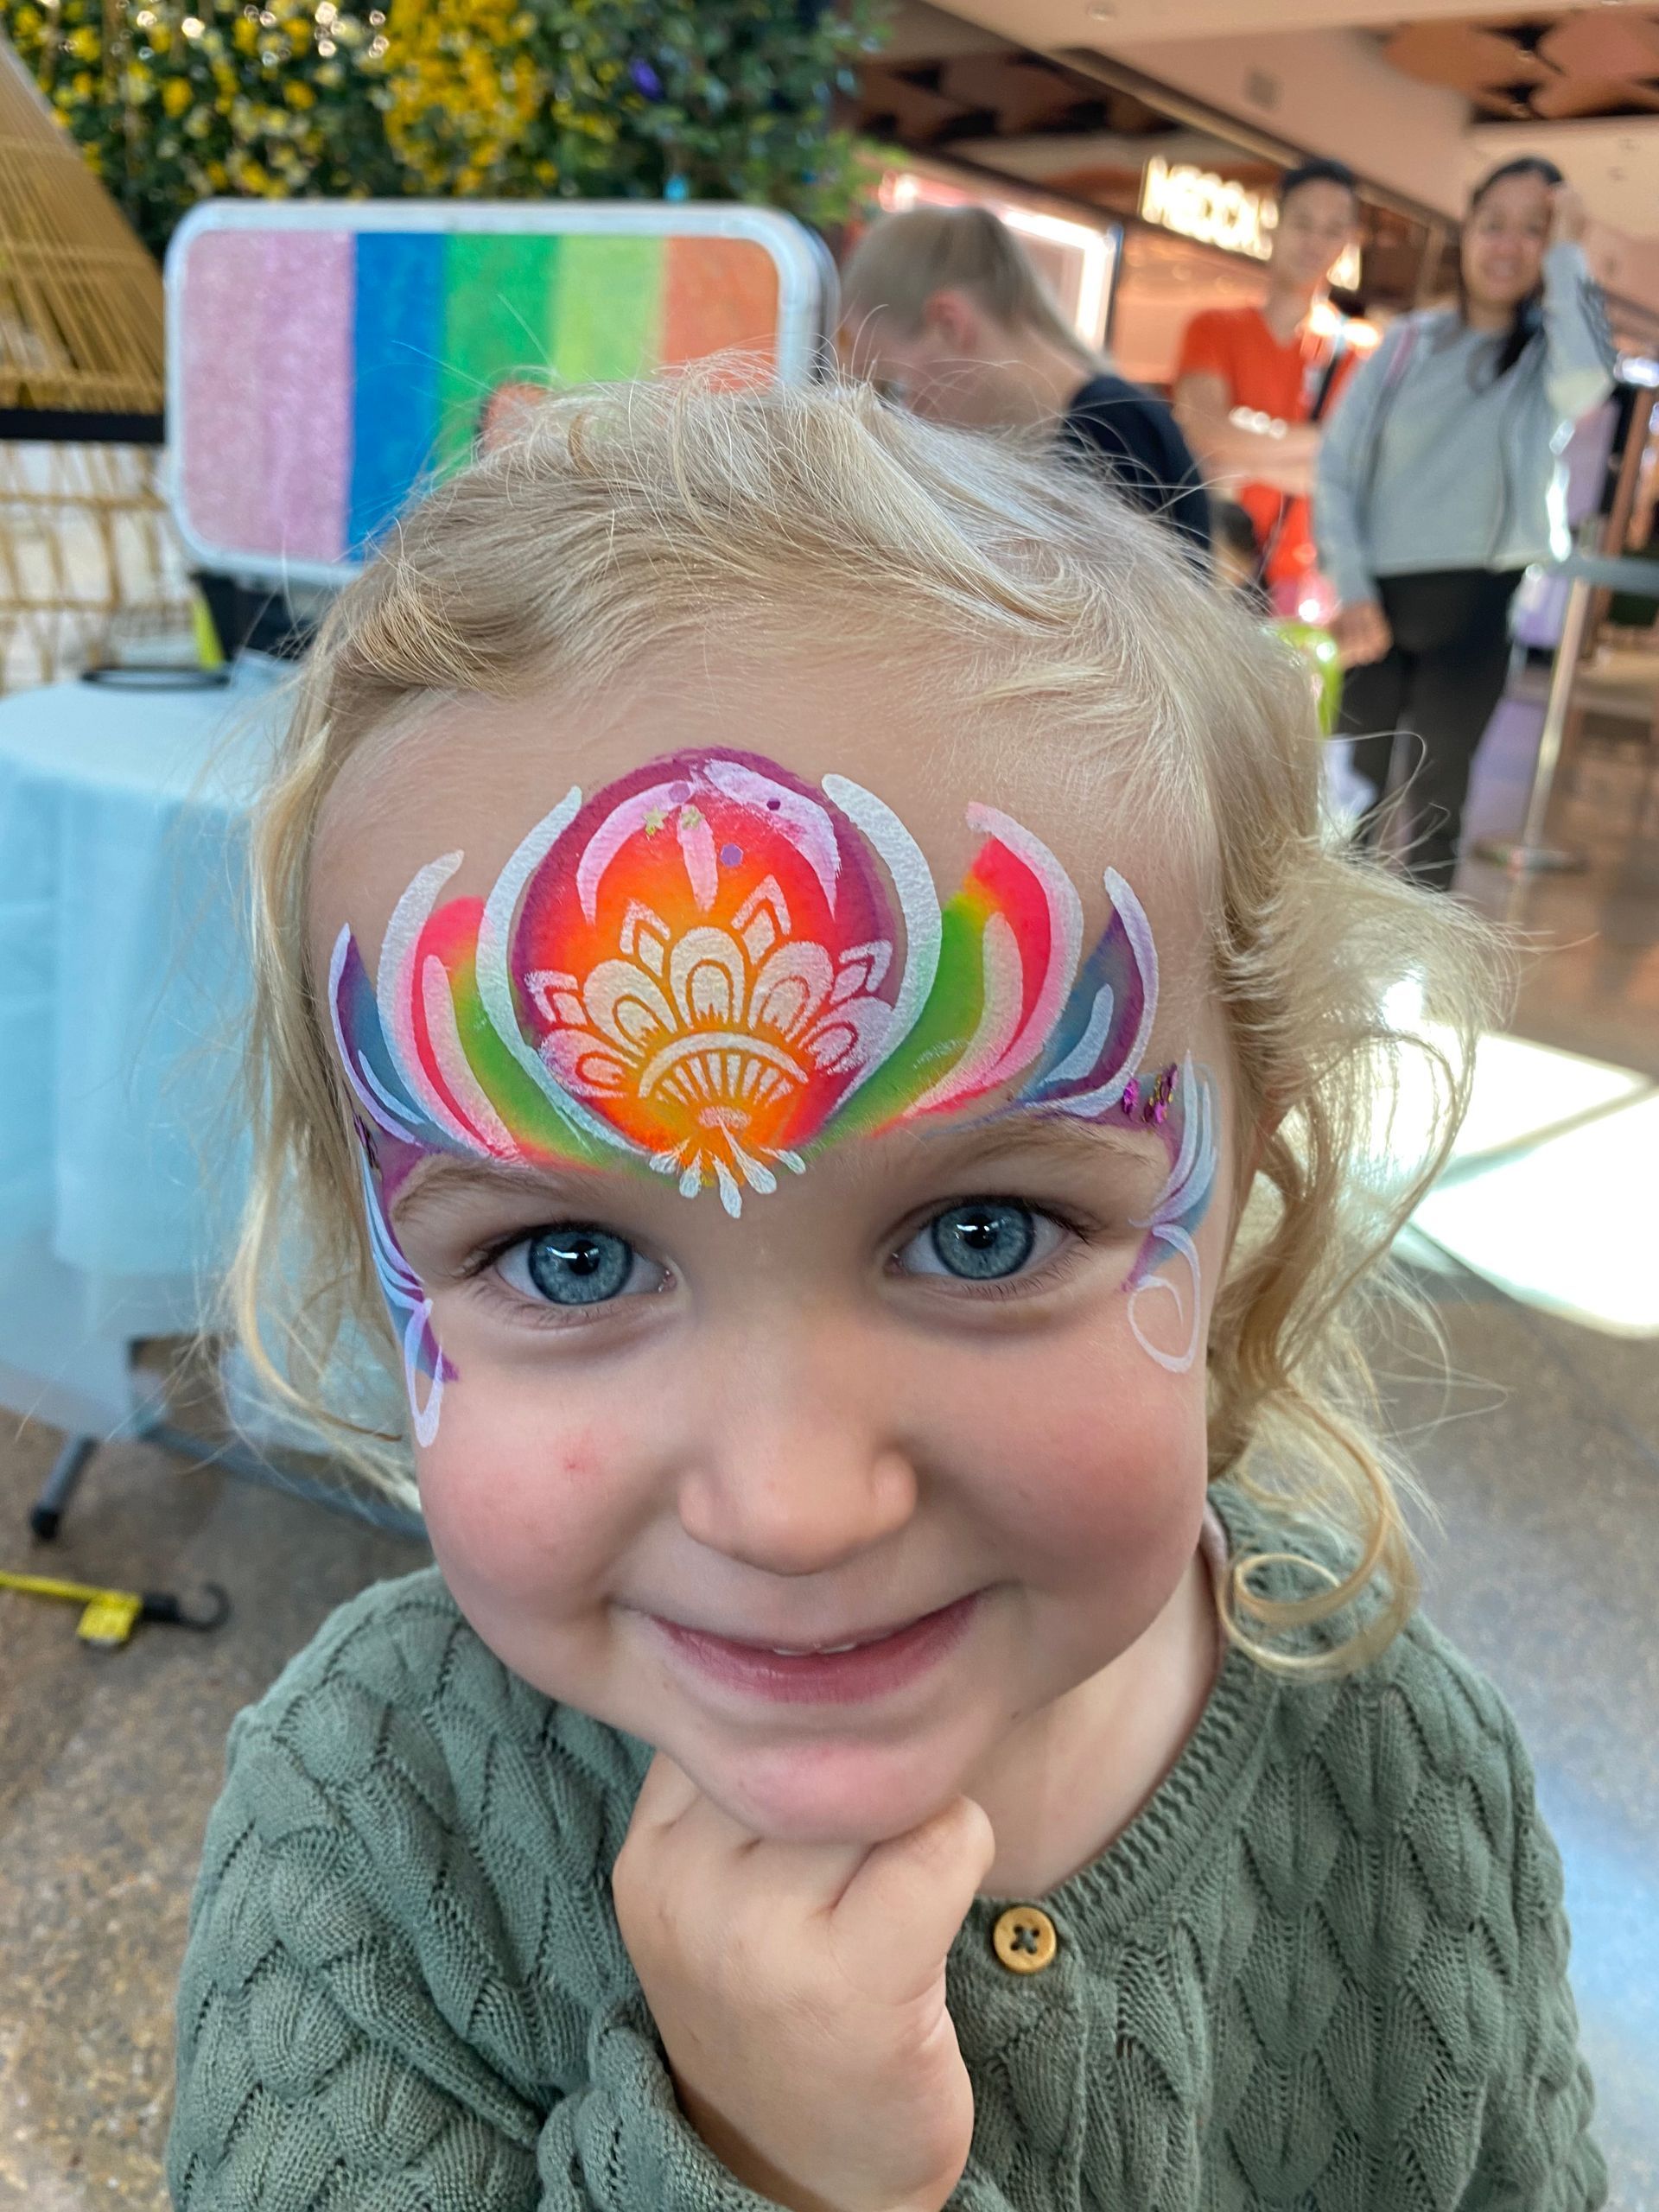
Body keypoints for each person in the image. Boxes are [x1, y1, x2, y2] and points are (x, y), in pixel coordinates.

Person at [166, 374, 1605, 2211]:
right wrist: (773, 2168)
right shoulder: (374, 1828)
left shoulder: (1408, 1770)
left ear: (1253, 1170)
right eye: (569, 1254)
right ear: (379, 1255)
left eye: (985, 1230)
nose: (788, 1503)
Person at [1316, 158, 1617, 891]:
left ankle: (1414, 992)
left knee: (1437, 813)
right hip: (1374, 608)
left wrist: (1572, 251)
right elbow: (1336, 469)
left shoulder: (1550, 351)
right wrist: (1352, 588)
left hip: (1480, 609)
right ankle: (1317, 983)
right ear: (1467, 231)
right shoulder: (1409, 344)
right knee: (1344, 807)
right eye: (1493, 224)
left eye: (1533, 230)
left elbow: (1589, 381)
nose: (1508, 245)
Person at [839, 202, 1211, 559]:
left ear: (949, 322)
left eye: (893, 387)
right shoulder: (1093, 423)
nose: (905, 414)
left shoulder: (1113, 432)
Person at [1174, 157, 1369, 602]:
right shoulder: (1213, 328)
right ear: (1273, 226)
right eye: (1302, 222)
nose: (1315, 242)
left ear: (1348, 243)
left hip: (1305, 590)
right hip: (1209, 568)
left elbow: (1355, 471)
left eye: (1333, 229)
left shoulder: (1362, 352)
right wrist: (1321, 442)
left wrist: (1242, 454)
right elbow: (1204, 430)